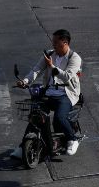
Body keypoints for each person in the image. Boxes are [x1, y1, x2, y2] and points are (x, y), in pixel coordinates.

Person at [12, 29, 83, 157]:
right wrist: (25, 81)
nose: (53, 44)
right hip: (49, 93)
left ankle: (72, 139)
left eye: (56, 42)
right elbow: (36, 70)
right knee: (35, 117)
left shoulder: (75, 58)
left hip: (66, 94)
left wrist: (53, 67)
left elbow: (66, 76)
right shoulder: (50, 54)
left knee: (60, 118)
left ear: (65, 43)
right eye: (53, 41)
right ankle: (23, 148)